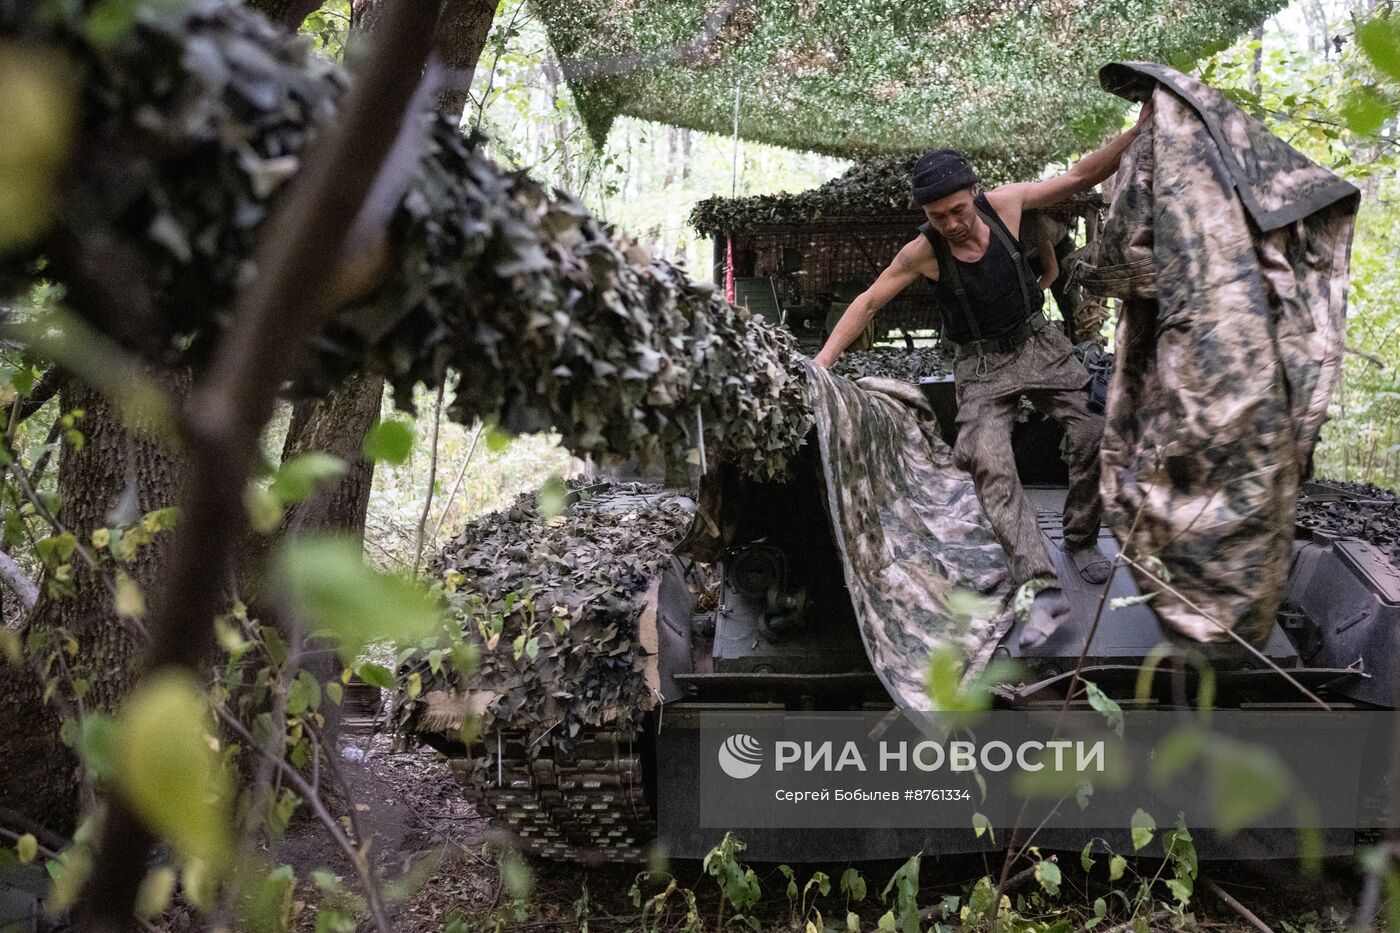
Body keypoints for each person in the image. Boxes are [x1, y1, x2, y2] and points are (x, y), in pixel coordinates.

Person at [813, 100, 1153, 647]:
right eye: (936, 216)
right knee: (991, 466)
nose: (949, 223)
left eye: (955, 209)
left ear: (972, 191)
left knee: (1094, 431)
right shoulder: (921, 252)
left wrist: (1137, 132)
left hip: (1038, 344)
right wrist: (821, 363)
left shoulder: (1009, 204)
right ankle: (1039, 589)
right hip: (979, 366)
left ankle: (1082, 537)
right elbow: (870, 301)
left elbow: (1080, 175)